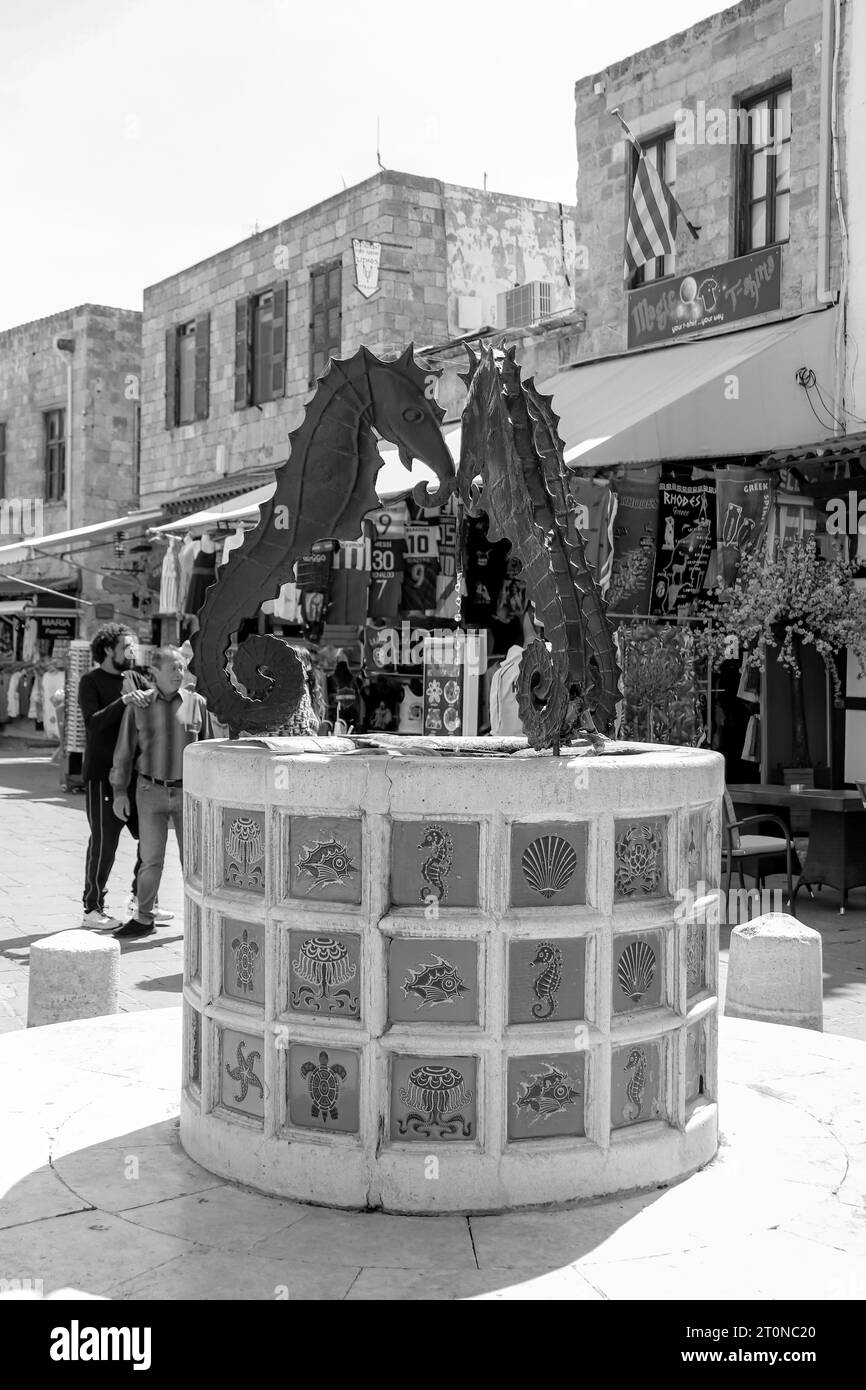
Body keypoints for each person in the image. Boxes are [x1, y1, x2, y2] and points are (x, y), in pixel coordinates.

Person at [110, 647, 213, 940]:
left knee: (193, 861)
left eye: (182, 668)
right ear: (155, 674)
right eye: (173, 669)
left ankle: (198, 919)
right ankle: (144, 918)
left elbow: (207, 751)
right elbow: (124, 752)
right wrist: (119, 791)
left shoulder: (195, 703)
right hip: (149, 790)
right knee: (150, 859)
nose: (180, 674)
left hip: (188, 794)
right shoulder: (139, 706)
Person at [79, 625, 153, 930]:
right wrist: (123, 702)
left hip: (137, 775)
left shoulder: (136, 678)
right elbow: (93, 723)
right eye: (126, 646)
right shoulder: (90, 681)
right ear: (109, 649)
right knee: (104, 843)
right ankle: (92, 908)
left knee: (149, 841)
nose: (132, 652)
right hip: (102, 776)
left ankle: (140, 900)